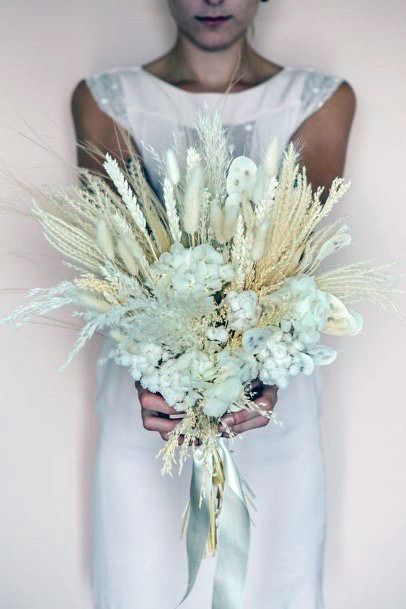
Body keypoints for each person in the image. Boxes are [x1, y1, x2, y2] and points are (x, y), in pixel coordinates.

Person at [71, 1, 356, 607]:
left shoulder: (321, 98)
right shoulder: (105, 98)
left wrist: (252, 376)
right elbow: (117, 256)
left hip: (272, 410)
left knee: (273, 585)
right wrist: (159, 373)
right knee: (142, 582)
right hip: (144, 404)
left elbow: (296, 249)